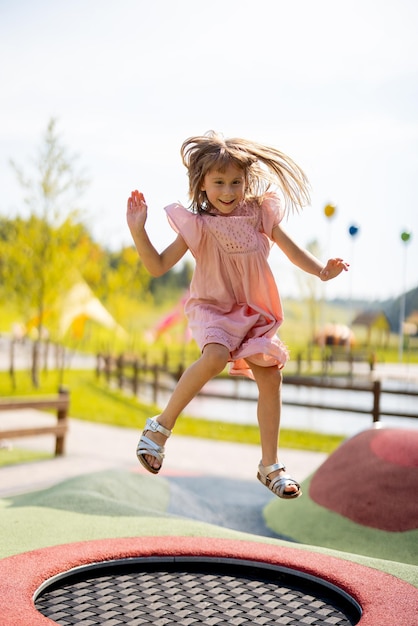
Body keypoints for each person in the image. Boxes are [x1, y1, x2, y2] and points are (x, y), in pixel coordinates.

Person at [126, 131, 349, 499]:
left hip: (253, 311)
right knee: (214, 356)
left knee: (271, 377)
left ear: (246, 182)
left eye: (235, 182)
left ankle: (269, 465)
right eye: (218, 183)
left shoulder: (260, 214)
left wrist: (321, 271)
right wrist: (139, 230)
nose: (228, 191)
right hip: (213, 308)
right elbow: (157, 265)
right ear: (202, 184)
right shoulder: (197, 225)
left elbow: (292, 252)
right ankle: (159, 428)